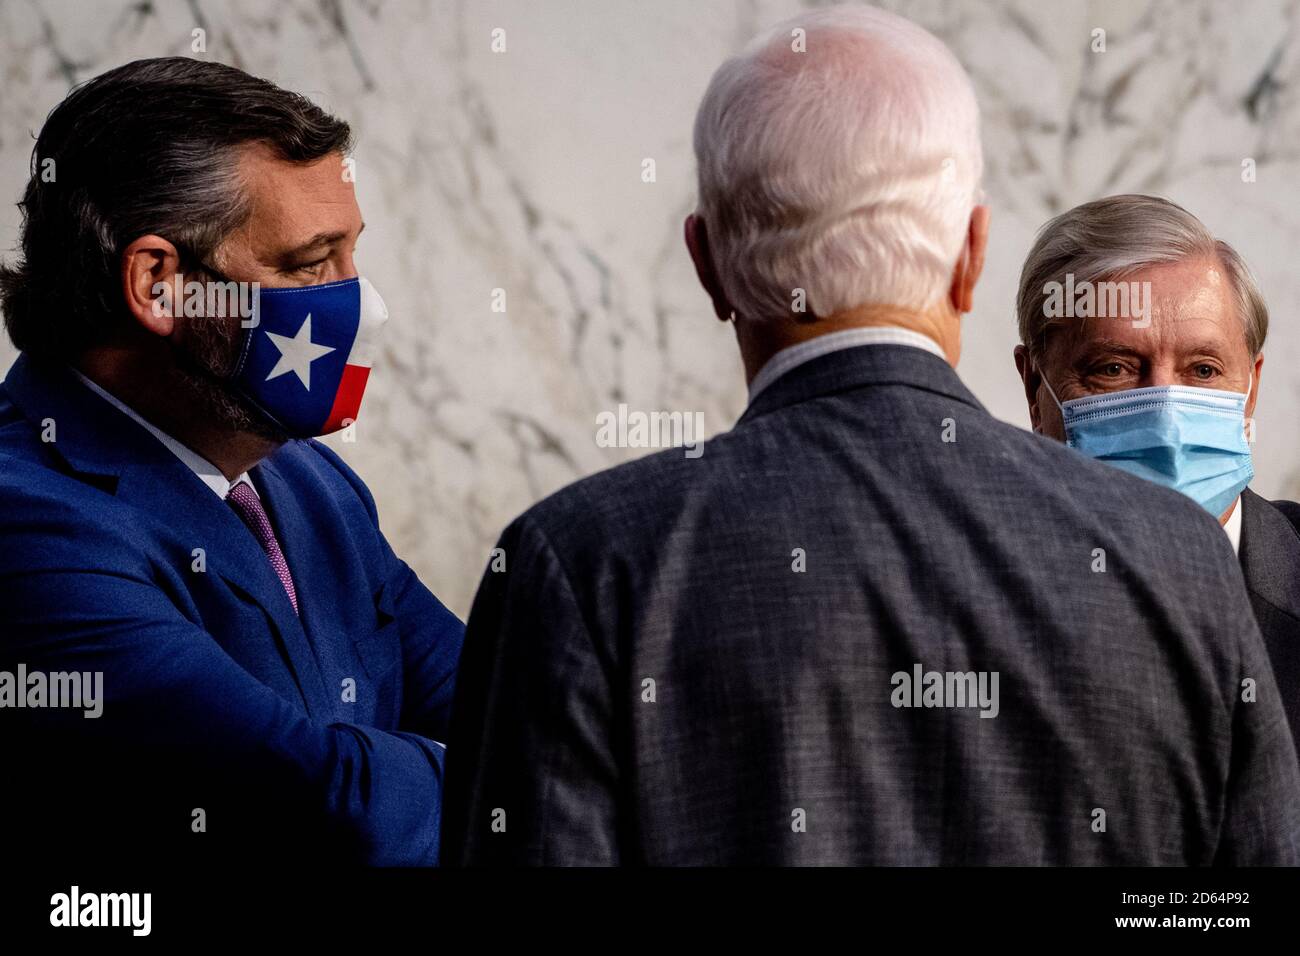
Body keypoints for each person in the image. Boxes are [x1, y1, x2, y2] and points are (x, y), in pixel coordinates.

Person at [441, 6, 1300, 865]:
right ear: (971, 256)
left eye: (1202, 368)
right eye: (1112, 367)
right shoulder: (1180, 556)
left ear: (705, 263)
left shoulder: (579, 564)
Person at [0, 57, 462, 865]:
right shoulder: (26, 525)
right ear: (159, 283)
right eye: (309, 264)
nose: (362, 303)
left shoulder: (311, 483)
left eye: (352, 254)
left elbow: (517, 707)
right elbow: (320, 808)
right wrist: (520, 780)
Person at [1014, 193, 1300, 752]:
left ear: (1251, 388)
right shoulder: (958, 606)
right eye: (1114, 368)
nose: (1166, 412)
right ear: (1034, 388)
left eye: (1203, 369)